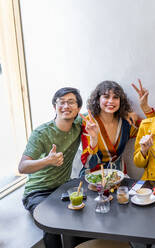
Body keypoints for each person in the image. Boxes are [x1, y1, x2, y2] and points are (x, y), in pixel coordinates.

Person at [19, 87, 83, 248]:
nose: (66, 106)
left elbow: (102, 111)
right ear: (54, 107)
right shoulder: (41, 133)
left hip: (61, 189)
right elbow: (22, 167)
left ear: (78, 108)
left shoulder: (79, 124)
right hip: (37, 192)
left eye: (71, 102)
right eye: (61, 102)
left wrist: (128, 114)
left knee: (82, 214)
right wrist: (47, 161)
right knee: (51, 223)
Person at [79, 80, 150, 176]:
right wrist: (94, 139)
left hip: (118, 175)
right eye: (106, 96)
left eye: (116, 97)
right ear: (98, 99)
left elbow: (153, 128)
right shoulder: (89, 122)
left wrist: (144, 107)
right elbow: (88, 164)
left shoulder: (126, 122)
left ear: (120, 101)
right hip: (93, 177)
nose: (111, 101)